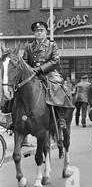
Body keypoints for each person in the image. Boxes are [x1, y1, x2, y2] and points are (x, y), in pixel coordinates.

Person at [23, 21, 74, 155]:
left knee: (57, 88)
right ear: (34, 33)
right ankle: (16, 119)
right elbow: (24, 62)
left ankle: (61, 117)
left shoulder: (52, 45)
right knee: (20, 89)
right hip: (32, 75)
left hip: (49, 74)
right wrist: (30, 70)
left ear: (45, 32)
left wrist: (39, 69)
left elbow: (55, 60)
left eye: (41, 31)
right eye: (37, 31)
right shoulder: (29, 46)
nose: (39, 33)